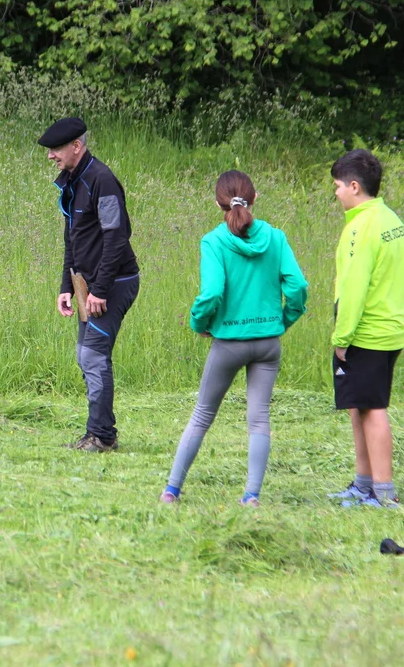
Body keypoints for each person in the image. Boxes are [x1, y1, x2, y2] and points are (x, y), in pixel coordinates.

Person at [161, 171, 307, 506]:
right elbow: (298, 286)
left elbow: (212, 292)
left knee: (202, 415)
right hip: (268, 342)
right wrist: (284, 319)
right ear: (254, 199)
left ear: (218, 203)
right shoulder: (276, 237)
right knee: (259, 419)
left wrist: (199, 323)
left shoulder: (213, 241)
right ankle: (251, 496)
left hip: (228, 343)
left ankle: (172, 491)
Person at [39, 117, 140, 452]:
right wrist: (65, 286)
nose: (50, 156)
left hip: (114, 282)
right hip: (87, 283)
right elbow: (73, 238)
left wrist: (100, 290)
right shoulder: (73, 181)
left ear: (76, 146)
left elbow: (116, 238)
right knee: (86, 356)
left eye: (55, 149)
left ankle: (102, 437)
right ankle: (99, 433)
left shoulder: (102, 180)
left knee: (93, 357)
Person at [325, 149, 404, 508]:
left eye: (338, 186)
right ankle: (363, 485)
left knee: (372, 408)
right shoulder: (390, 219)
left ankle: (383, 493)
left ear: (355, 186)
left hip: (368, 333)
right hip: (392, 328)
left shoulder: (360, 228)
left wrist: (342, 337)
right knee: (358, 405)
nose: (336, 193)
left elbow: (354, 288)